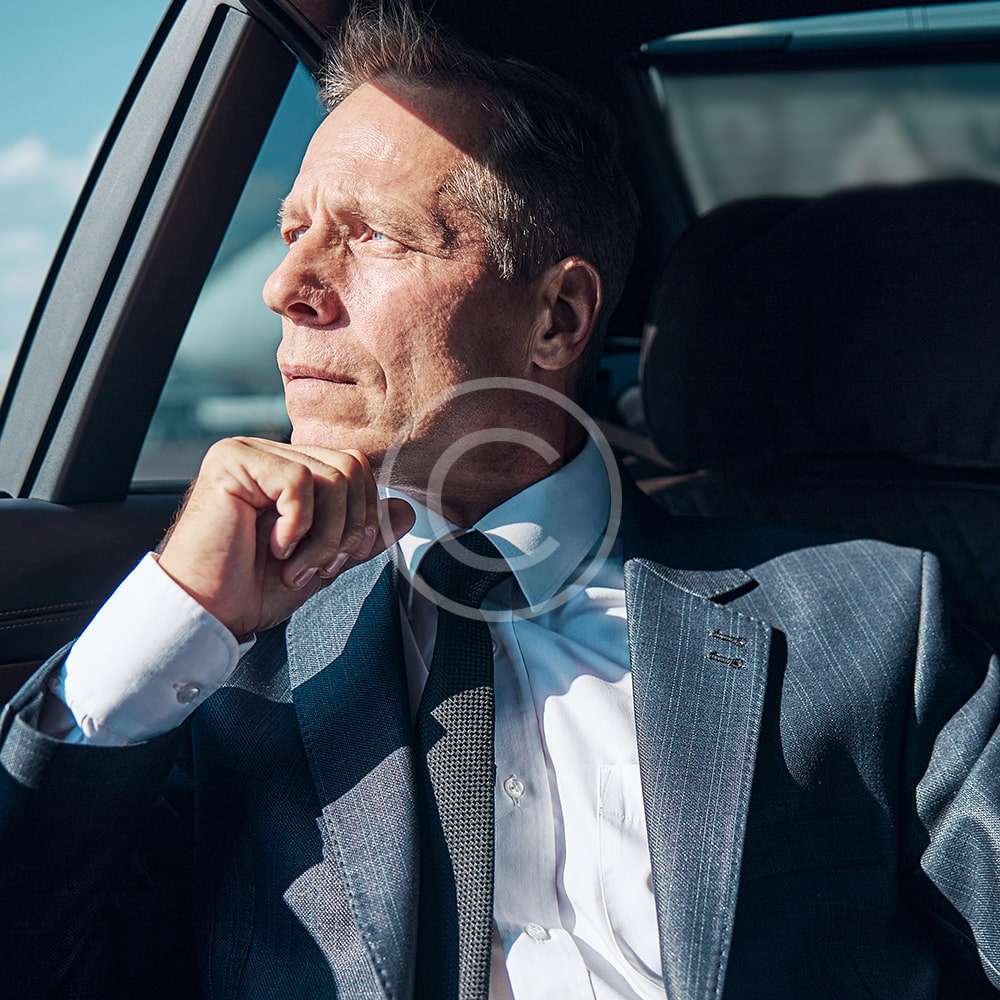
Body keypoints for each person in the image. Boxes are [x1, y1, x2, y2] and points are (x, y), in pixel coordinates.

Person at [2, 6, 999, 1000]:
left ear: (557, 317)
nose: (284, 286)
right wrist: (176, 609)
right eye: (294, 232)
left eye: (373, 236)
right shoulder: (217, 672)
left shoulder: (876, 623)